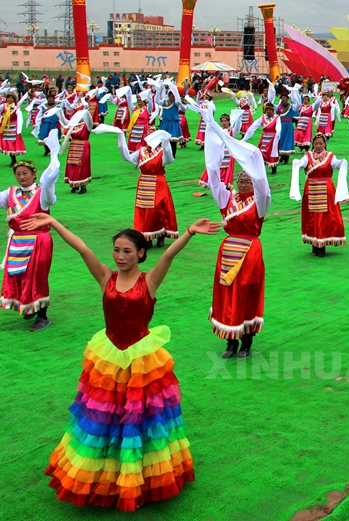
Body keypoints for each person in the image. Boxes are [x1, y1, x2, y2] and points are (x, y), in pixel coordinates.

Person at [34, 215, 218, 511]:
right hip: (108, 358)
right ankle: (104, 474)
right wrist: (53, 223)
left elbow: (169, 254)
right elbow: (82, 249)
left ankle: (140, 478)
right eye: (117, 250)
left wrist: (189, 233)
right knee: (101, 419)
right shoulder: (106, 277)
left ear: (141, 254)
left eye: (127, 251)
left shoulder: (150, 280)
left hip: (142, 362)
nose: (120, 257)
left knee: (142, 419)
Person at [201, 111, 270, 358]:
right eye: (240, 178)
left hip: (250, 252)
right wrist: (213, 134)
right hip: (228, 250)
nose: (242, 182)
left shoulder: (259, 203)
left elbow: (263, 187)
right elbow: (213, 179)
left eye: (247, 179)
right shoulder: (227, 198)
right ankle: (230, 342)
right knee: (226, 293)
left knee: (246, 292)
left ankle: (247, 341)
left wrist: (251, 159)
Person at [1, 132, 60, 330]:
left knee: (37, 277)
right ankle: (28, 307)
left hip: (39, 240)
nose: (22, 176)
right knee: (19, 275)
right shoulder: (10, 193)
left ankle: (42, 316)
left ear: (34, 174)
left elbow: (51, 193)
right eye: (18, 174)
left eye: (25, 173)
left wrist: (53, 164)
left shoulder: (42, 193)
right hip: (18, 240)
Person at [101, 126, 179, 247]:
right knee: (143, 210)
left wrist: (165, 142)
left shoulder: (161, 151)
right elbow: (127, 157)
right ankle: (146, 236)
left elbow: (169, 159)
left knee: (159, 209)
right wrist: (121, 137)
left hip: (158, 182)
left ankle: (160, 234)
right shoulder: (141, 151)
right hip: (144, 182)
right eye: (149, 133)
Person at [290, 133, 349, 256]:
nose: (318, 146)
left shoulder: (330, 157)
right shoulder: (308, 156)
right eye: (316, 143)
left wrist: (343, 162)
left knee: (325, 217)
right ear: (313, 144)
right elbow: (301, 163)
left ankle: (322, 245)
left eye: (320, 143)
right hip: (311, 190)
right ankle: (314, 244)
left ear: (325, 144)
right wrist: (297, 162)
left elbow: (337, 164)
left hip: (326, 190)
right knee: (311, 217)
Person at [242, 103, 281, 174]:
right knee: (261, 153)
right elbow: (254, 126)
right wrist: (245, 137)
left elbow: (278, 128)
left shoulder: (276, 118)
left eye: (270, 110)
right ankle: (261, 170)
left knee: (271, 153)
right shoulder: (263, 117)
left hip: (273, 138)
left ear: (273, 110)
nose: (268, 111)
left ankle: (274, 169)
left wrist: (277, 136)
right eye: (267, 110)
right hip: (264, 138)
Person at [62, 109, 93, 193]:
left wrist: (87, 113)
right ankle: (74, 184)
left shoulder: (86, 125)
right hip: (73, 146)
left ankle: (83, 186)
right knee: (72, 164)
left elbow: (90, 122)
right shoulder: (73, 125)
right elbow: (65, 134)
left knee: (82, 165)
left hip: (83, 145)